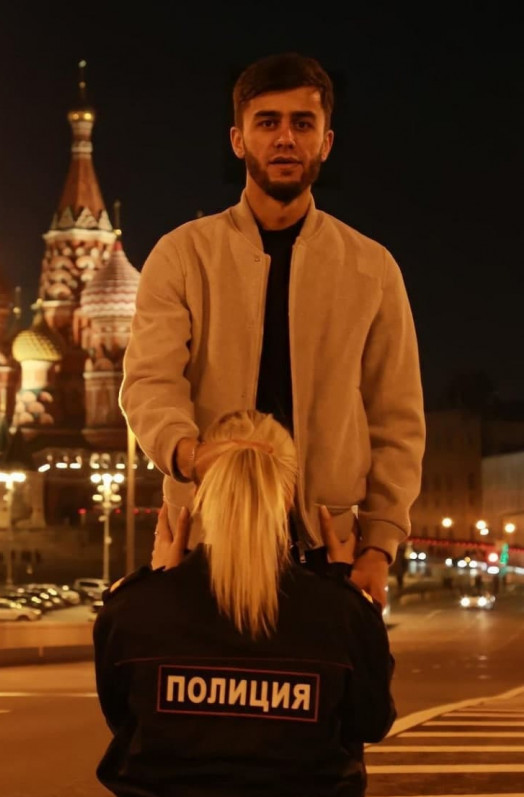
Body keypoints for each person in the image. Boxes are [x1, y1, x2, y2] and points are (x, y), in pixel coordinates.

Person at [50, 411, 454, 797]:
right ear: (288, 495)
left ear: (201, 493)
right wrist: (343, 591)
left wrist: (158, 588)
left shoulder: (132, 608)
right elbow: (372, 722)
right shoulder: (340, 610)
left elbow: (123, 720)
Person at [120, 52, 425, 607]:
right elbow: (149, 383)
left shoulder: (372, 268)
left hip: (328, 548)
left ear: (326, 143)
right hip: (208, 536)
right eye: (268, 122)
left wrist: (380, 546)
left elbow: (396, 417)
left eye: (302, 124)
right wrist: (191, 457)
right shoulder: (182, 255)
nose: (285, 138)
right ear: (238, 140)